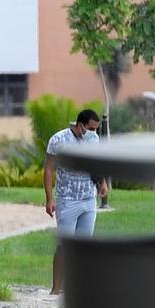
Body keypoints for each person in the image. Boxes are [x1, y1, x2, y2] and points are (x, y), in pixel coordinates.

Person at [44, 107, 109, 296]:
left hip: (88, 200)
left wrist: (102, 183)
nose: (94, 133)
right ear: (81, 126)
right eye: (92, 128)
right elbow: (49, 169)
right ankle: (56, 289)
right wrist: (50, 198)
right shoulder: (58, 140)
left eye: (97, 129)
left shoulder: (94, 141)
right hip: (67, 200)